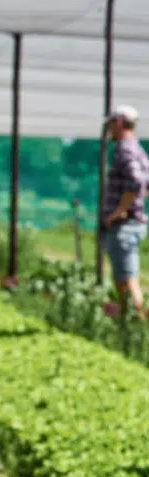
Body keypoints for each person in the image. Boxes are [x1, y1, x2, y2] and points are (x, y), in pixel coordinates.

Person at [101, 104, 149, 319]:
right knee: (126, 278)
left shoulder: (124, 148)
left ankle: (136, 325)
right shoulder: (138, 149)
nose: (109, 129)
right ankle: (129, 322)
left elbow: (137, 182)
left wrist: (120, 211)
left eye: (110, 124)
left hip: (125, 224)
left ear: (119, 122)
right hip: (134, 222)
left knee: (126, 280)